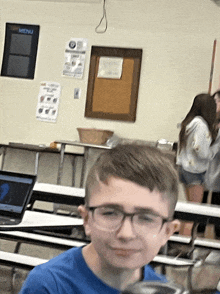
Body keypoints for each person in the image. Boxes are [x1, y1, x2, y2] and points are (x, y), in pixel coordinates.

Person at [19, 143, 180, 294]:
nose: (126, 234)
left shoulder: (161, 289)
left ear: (167, 232)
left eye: (146, 218)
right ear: (87, 220)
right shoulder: (48, 286)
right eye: (110, 213)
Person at [176, 93, 220, 236]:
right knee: (193, 212)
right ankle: (184, 247)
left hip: (184, 168)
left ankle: (181, 243)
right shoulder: (201, 125)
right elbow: (200, 150)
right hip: (194, 171)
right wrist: (212, 152)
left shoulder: (190, 122)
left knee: (188, 210)